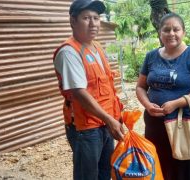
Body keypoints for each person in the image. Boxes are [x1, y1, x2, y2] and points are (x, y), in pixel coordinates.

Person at [136, 13, 190, 180]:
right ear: (160, 33)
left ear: (183, 32)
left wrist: (177, 103)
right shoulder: (151, 56)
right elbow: (141, 87)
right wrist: (147, 105)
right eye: (166, 30)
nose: (171, 33)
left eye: (176, 29)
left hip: (185, 125)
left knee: (187, 170)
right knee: (161, 168)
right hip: (156, 125)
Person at [52, 0, 124, 179]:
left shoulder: (96, 46)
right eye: (86, 18)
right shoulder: (69, 52)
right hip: (86, 127)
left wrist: (116, 117)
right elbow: (79, 93)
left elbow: (105, 86)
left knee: (105, 172)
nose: (93, 23)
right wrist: (109, 119)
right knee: (88, 175)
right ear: (73, 21)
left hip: (105, 122)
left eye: (96, 18)